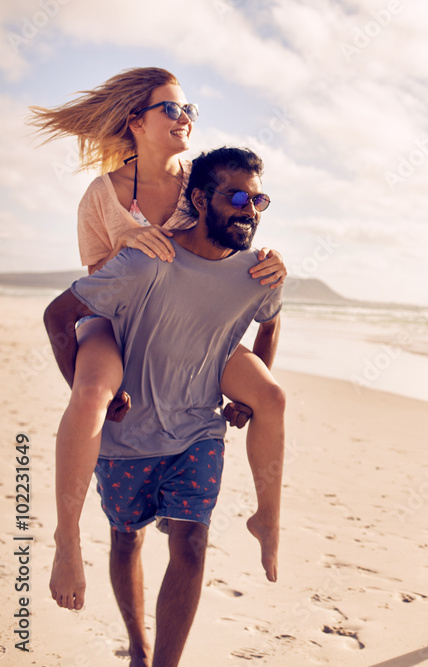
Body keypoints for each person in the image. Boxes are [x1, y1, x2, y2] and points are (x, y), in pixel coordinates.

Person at [28, 68, 286, 582]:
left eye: (189, 109)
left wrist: (272, 260)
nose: (184, 118)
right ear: (136, 122)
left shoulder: (203, 182)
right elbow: (95, 283)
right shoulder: (102, 195)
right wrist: (130, 251)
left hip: (189, 320)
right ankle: (67, 537)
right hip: (118, 318)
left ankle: (269, 517)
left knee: (271, 396)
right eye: (171, 108)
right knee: (91, 393)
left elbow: (233, 233)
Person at [43, 147, 282, 667]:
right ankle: (138, 645)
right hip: (126, 437)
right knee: (125, 541)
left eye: (259, 198)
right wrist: (87, 392)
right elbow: (60, 315)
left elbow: (269, 314)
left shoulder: (257, 271)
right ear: (199, 198)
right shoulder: (148, 258)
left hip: (198, 429)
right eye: (238, 196)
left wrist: (249, 391)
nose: (251, 209)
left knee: (192, 545)